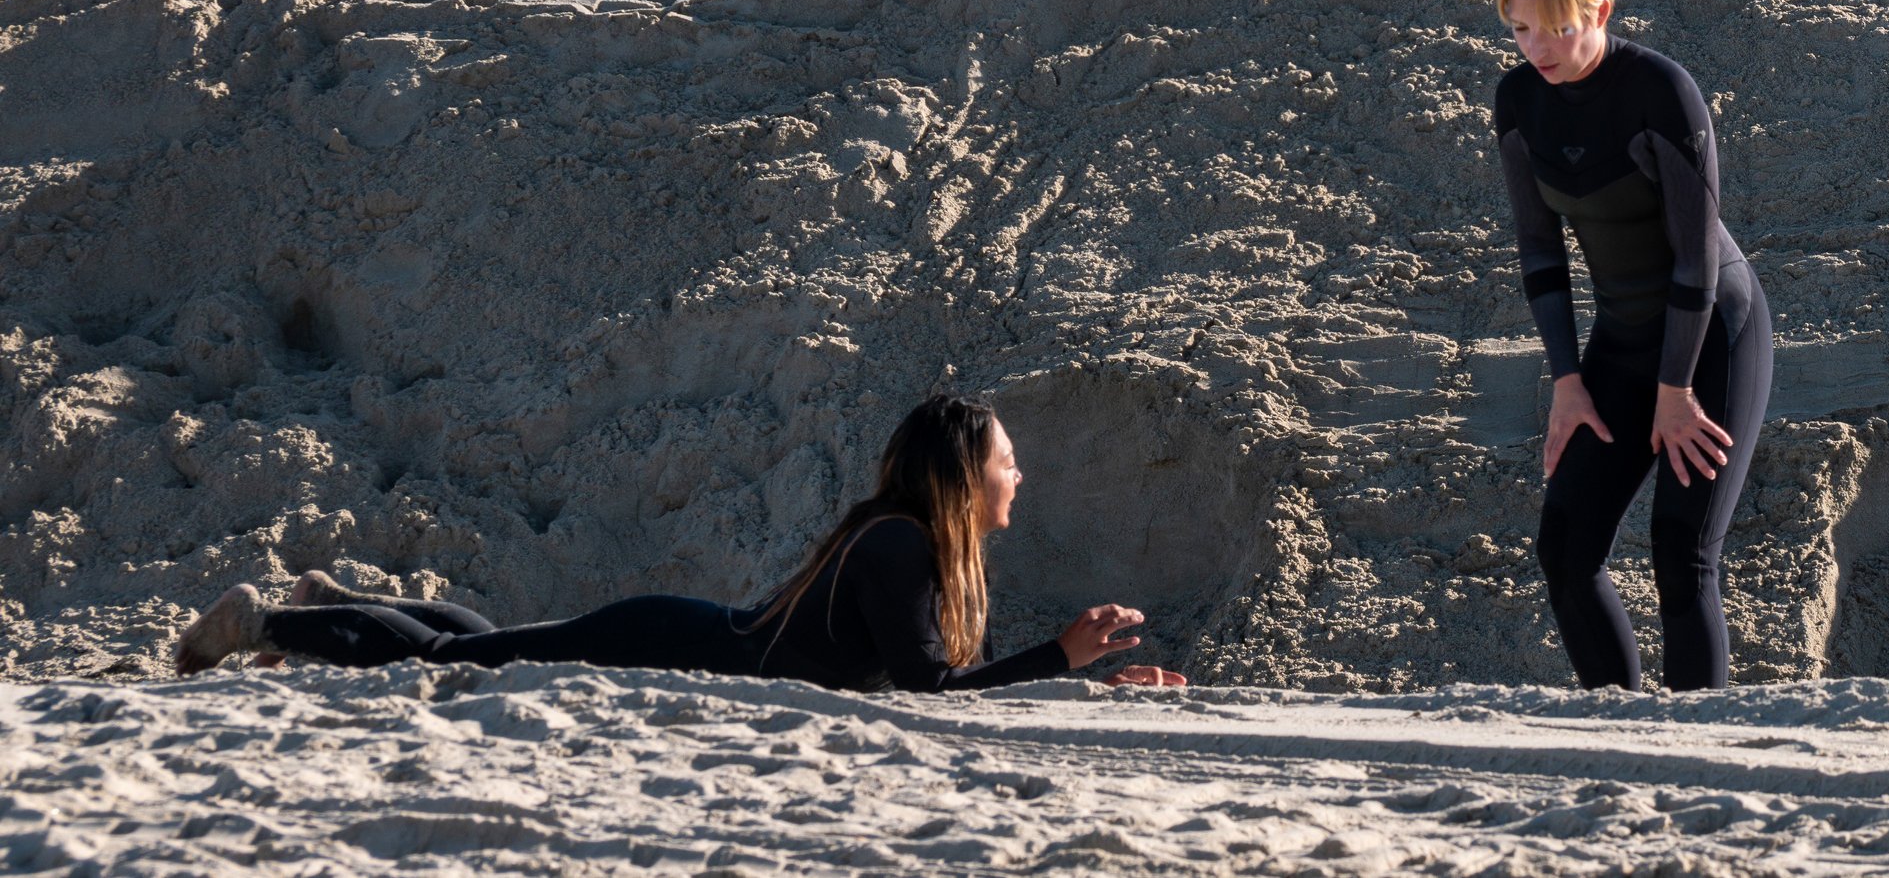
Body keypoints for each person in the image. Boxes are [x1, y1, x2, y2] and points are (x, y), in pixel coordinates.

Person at [173, 394, 1186, 692]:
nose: (1019, 475)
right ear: (966, 474)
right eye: (1008, 461)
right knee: (457, 657)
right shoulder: (897, 547)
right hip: (672, 637)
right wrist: (1061, 655)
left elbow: (945, 677)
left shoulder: (915, 545)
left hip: (681, 631)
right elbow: (926, 689)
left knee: (492, 640)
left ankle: (327, 594)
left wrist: (1082, 679)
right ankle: (263, 620)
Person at [1490, 0, 1772, 691]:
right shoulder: (1518, 99)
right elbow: (1540, 251)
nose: (1537, 48)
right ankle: (1623, 727)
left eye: (1558, 28)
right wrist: (1567, 380)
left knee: (1682, 553)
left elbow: (1696, 258)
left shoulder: (1660, 91)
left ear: (1603, 8)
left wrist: (1674, 390)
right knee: (1566, 548)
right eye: (1519, 28)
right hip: (1621, 340)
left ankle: (1700, 751)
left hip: (1712, 332)